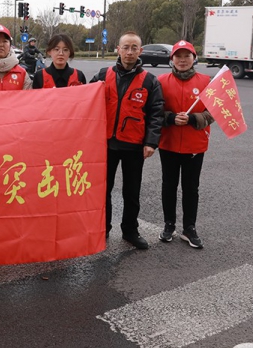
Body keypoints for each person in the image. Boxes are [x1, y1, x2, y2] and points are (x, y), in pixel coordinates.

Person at [89, 31, 164, 249]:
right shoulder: (103, 75)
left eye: (134, 48)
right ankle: (103, 228)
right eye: (125, 47)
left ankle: (130, 230)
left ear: (140, 51)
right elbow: (85, 99)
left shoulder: (149, 81)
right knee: (103, 190)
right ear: (118, 49)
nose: (129, 52)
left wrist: (151, 142)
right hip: (106, 144)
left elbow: (156, 113)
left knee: (131, 192)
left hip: (134, 145)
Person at [157, 40, 214, 249]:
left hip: (195, 145)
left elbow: (213, 112)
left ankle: (189, 228)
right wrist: (171, 118)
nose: (182, 60)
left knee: (191, 188)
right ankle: (169, 225)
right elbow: (154, 111)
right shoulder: (161, 81)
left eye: (186, 56)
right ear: (171, 59)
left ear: (194, 58)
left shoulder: (207, 81)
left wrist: (192, 119)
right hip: (169, 143)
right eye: (178, 56)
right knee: (168, 185)